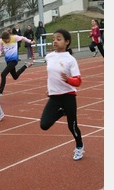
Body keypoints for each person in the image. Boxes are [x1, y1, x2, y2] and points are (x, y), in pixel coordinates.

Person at [40, 29, 84, 161]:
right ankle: (62, 112)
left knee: (72, 126)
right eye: (54, 39)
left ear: (67, 42)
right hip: (54, 96)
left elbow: (78, 81)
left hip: (68, 96)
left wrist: (68, 80)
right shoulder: (49, 57)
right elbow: (51, 75)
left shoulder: (70, 60)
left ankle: (79, 146)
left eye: (58, 39)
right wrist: (50, 88)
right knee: (44, 125)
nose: (55, 41)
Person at [0, 28, 36, 97]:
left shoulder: (14, 38)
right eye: (4, 41)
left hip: (14, 60)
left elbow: (23, 38)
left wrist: (30, 41)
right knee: (15, 76)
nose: (5, 42)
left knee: (3, 74)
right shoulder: (1, 40)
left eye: (6, 40)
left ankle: (0, 92)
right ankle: (26, 66)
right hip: (8, 61)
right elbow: (0, 49)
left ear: (8, 37)